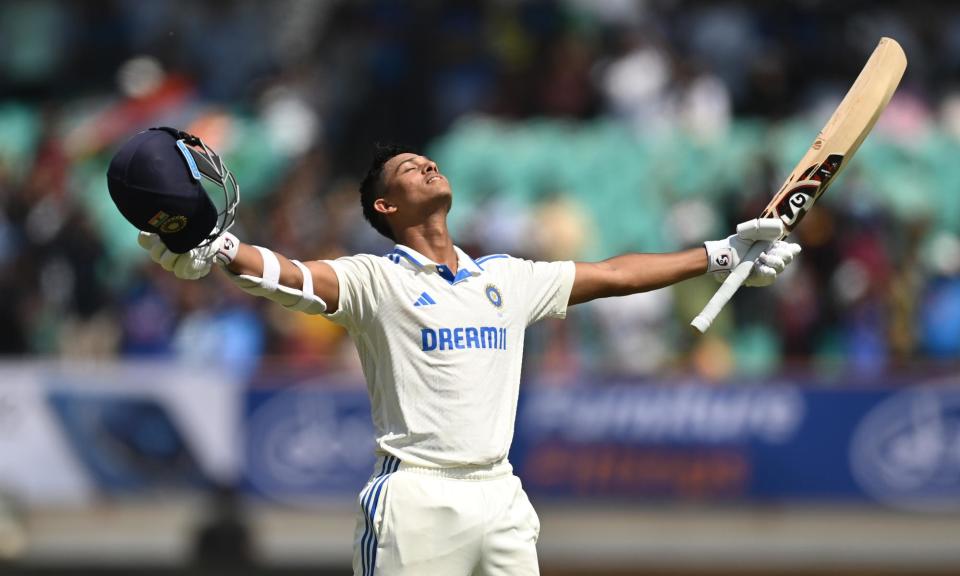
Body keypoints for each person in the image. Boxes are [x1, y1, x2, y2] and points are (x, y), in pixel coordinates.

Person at [133, 142, 800, 576]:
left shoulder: (506, 279)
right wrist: (222, 254)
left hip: (501, 494)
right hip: (415, 498)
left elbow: (614, 273)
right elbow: (296, 277)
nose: (425, 165)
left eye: (429, 160)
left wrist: (719, 254)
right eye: (406, 168)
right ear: (386, 206)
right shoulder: (377, 279)